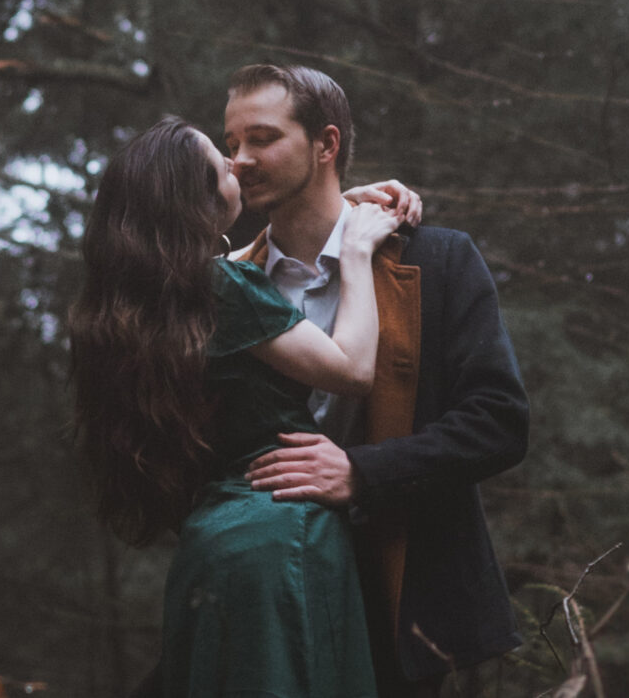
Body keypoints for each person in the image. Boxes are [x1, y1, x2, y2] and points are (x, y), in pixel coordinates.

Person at [69, 116, 407, 697]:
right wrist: (353, 250)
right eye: (220, 161)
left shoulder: (137, 307)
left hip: (210, 547)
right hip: (283, 534)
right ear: (192, 199)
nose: (237, 165)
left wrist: (333, 207)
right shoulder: (224, 288)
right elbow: (352, 370)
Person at [224, 64, 530, 697]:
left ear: (326, 145)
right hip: (259, 593)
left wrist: (360, 473)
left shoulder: (436, 259)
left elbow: (499, 421)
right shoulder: (226, 282)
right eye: (231, 144)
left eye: (261, 138)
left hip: (398, 603)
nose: (239, 160)